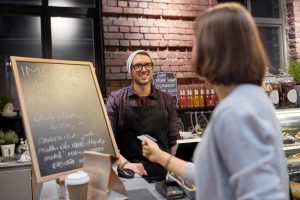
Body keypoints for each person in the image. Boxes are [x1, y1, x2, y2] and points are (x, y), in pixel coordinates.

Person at [142, 3, 289, 199]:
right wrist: (161, 157)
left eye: (196, 42)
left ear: (211, 49)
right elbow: (210, 175)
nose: (191, 50)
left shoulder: (236, 111)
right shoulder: (249, 99)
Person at [106, 50, 180, 182]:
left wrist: (177, 169)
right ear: (130, 70)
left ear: (152, 68)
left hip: (163, 175)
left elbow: (173, 141)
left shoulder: (167, 100)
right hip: (131, 175)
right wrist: (125, 165)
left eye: (147, 65)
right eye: (138, 65)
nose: (144, 69)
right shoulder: (117, 99)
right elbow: (108, 142)